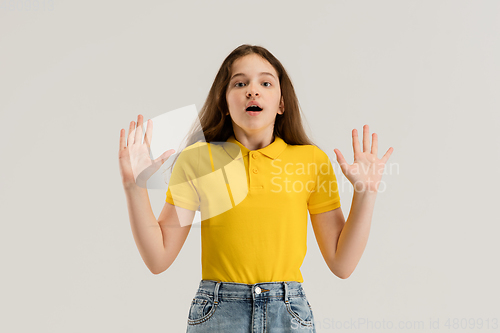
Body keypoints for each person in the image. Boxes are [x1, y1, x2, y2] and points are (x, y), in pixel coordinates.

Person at [118, 44, 393, 332]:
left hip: (287, 314)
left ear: (281, 103)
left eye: (265, 82)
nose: (253, 90)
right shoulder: (198, 160)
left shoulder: (311, 161)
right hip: (218, 314)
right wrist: (133, 187)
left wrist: (366, 193)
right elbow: (158, 257)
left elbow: (342, 264)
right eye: (240, 83)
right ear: (224, 103)